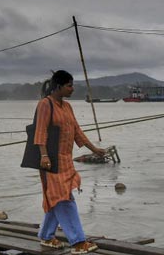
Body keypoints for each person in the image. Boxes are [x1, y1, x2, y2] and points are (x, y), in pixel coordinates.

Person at [33, 70, 107, 254]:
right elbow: (40, 132)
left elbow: (77, 131)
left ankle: (46, 235)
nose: (72, 89)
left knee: (56, 198)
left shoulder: (67, 107)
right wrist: (43, 156)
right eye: (69, 85)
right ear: (58, 86)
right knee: (64, 199)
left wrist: (94, 149)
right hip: (50, 162)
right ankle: (78, 241)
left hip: (66, 160)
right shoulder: (45, 104)